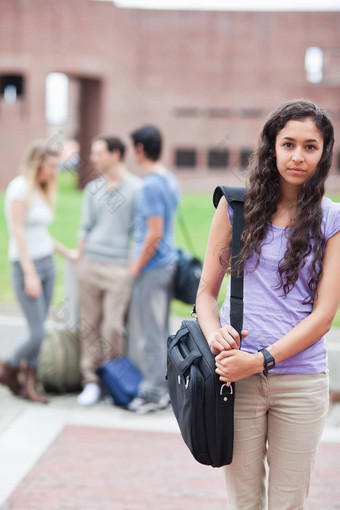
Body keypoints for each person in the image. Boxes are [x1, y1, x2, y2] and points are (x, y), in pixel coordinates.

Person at [195, 99, 340, 510]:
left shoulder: (332, 220)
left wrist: (259, 361)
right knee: (244, 502)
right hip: (234, 381)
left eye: (310, 146)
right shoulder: (235, 208)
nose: (298, 156)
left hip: (301, 383)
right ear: (272, 147)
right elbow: (206, 293)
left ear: (323, 152)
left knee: (288, 504)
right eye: (288, 144)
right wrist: (215, 334)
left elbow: (324, 316)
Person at [1, 140, 77, 403]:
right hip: (27, 268)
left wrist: (67, 253)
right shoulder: (19, 188)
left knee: (40, 328)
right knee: (37, 333)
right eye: (52, 166)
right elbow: (18, 232)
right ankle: (8, 368)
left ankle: (28, 386)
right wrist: (30, 272)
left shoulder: (41, 190)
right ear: (38, 164)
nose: (56, 171)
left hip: (46, 264)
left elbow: (40, 233)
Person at [76, 136, 141, 406]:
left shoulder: (137, 188)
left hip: (118, 269)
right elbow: (85, 227)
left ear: (115, 154)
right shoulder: (92, 189)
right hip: (90, 264)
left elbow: (140, 231)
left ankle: (113, 380)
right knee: (89, 326)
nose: (93, 158)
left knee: (113, 327)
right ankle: (90, 381)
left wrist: (131, 267)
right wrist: (80, 259)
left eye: (98, 153)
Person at [127, 125, 180, 414]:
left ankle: (154, 391)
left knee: (150, 332)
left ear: (139, 149)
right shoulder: (168, 179)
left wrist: (135, 267)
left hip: (152, 266)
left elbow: (154, 233)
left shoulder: (149, 184)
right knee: (160, 328)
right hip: (167, 264)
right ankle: (166, 388)